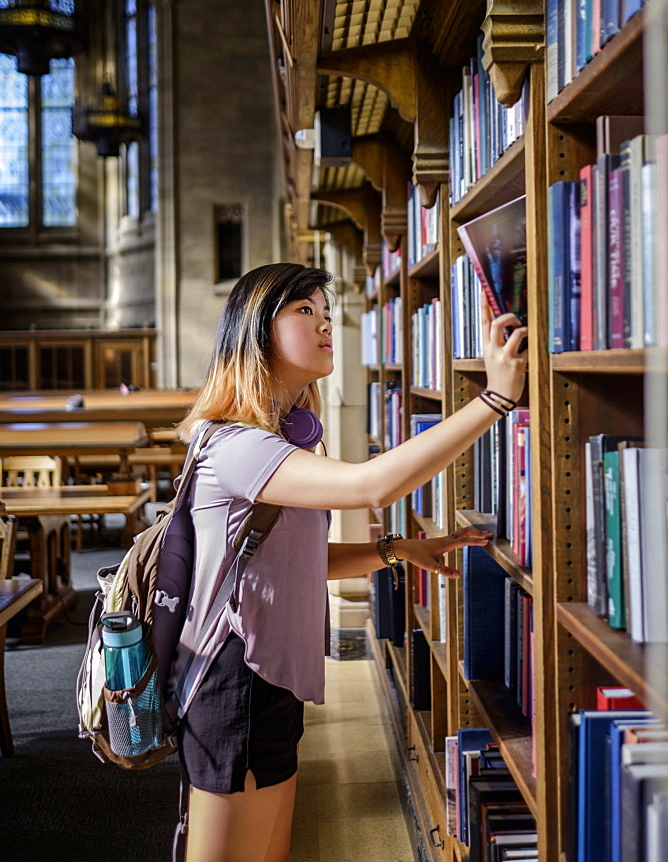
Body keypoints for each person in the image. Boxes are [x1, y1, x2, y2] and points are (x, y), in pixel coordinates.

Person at [169, 261, 527, 862]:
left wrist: (393, 550)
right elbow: (372, 486)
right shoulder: (237, 444)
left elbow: (290, 564)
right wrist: (493, 400)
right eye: (304, 311)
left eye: (327, 311)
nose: (326, 323)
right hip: (232, 679)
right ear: (255, 331)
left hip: (267, 674)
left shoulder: (282, 439)